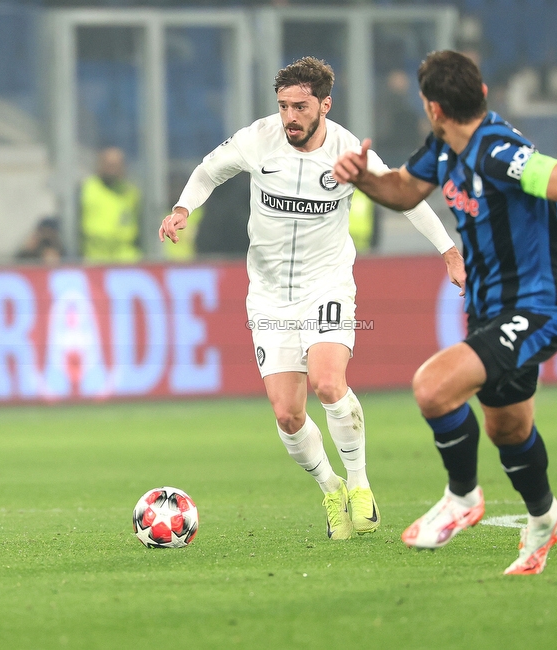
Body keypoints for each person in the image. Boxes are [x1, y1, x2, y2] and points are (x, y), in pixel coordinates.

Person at [333, 50, 557, 573]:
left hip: (538, 307)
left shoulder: (500, 152)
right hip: (489, 310)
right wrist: (363, 178)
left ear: (432, 108)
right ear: (481, 95)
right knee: (508, 429)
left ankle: (462, 497)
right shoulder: (445, 147)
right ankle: (545, 516)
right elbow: (404, 190)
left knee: (432, 387)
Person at [160, 57, 465, 540]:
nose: (290, 117)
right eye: (283, 106)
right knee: (287, 413)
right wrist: (182, 208)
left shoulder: (346, 152)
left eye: (300, 106)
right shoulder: (257, 139)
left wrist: (449, 252)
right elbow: (207, 171)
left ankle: (361, 485)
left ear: (325, 104)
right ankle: (330, 488)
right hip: (268, 294)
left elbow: (402, 196)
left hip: (327, 284)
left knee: (327, 383)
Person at [80, 147, 142, 263]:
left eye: (116, 165)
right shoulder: (87, 189)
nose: (112, 169)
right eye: (109, 165)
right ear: (100, 165)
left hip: (127, 259)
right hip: (95, 258)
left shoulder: (131, 192)